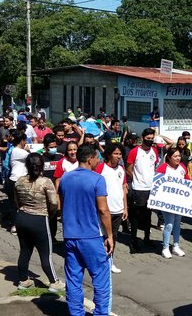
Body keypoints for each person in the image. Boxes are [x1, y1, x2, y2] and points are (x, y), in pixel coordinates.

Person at [59, 144, 114, 316]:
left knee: (73, 279)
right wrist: (110, 235)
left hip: (69, 235)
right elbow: (103, 210)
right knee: (100, 279)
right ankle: (100, 313)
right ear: (90, 159)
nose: (99, 161)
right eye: (97, 157)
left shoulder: (65, 178)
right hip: (91, 237)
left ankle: (76, 313)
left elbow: (61, 204)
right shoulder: (97, 179)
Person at [13, 153, 63, 292]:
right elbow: (53, 202)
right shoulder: (46, 182)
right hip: (39, 218)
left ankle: (23, 280)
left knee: (25, 250)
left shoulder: (19, 181)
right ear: (42, 166)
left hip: (22, 217)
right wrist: (51, 214)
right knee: (45, 253)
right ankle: (54, 282)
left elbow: (17, 201)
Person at [95, 143, 128, 273]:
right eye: (115, 153)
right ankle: (100, 263)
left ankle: (110, 262)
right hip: (104, 211)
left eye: (120, 154)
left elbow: (123, 188)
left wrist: (125, 208)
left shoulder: (121, 169)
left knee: (113, 237)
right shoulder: (100, 168)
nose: (118, 156)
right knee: (102, 237)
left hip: (118, 210)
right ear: (109, 154)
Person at [126, 128, 159, 251]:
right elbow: (128, 168)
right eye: (148, 138)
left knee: (148, 214)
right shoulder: (135, 151)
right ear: (143, 137)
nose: (150, 140)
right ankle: (133, 240)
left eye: (152, 138)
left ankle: (147, 238)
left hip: (151, 188)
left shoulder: (154, 151)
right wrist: (136, 179)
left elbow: (154, 167)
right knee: (136, 215)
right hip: (138, 188)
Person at [155, 147, 190, 259]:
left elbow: (187, 181)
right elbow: (157, 182)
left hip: (179, 202)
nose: (178, 158)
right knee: (169, 224)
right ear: (169, 157)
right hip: (167, 202)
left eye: (179, 156)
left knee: (177, 223)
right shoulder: (163, 168)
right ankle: (165, 247)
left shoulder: (182, 167)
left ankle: (175, 246)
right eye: (175, 156)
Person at [7, 131, 30, 235]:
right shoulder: (18, 151)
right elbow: (33, 156)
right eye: (25, 141)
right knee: (15, 204)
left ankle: (20, 224)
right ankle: (14, 225)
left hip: (21, 180)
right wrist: (29, 150)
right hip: (16, 180)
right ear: (22, 141)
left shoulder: (17, 150)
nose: (26, 143)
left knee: (21, 204)